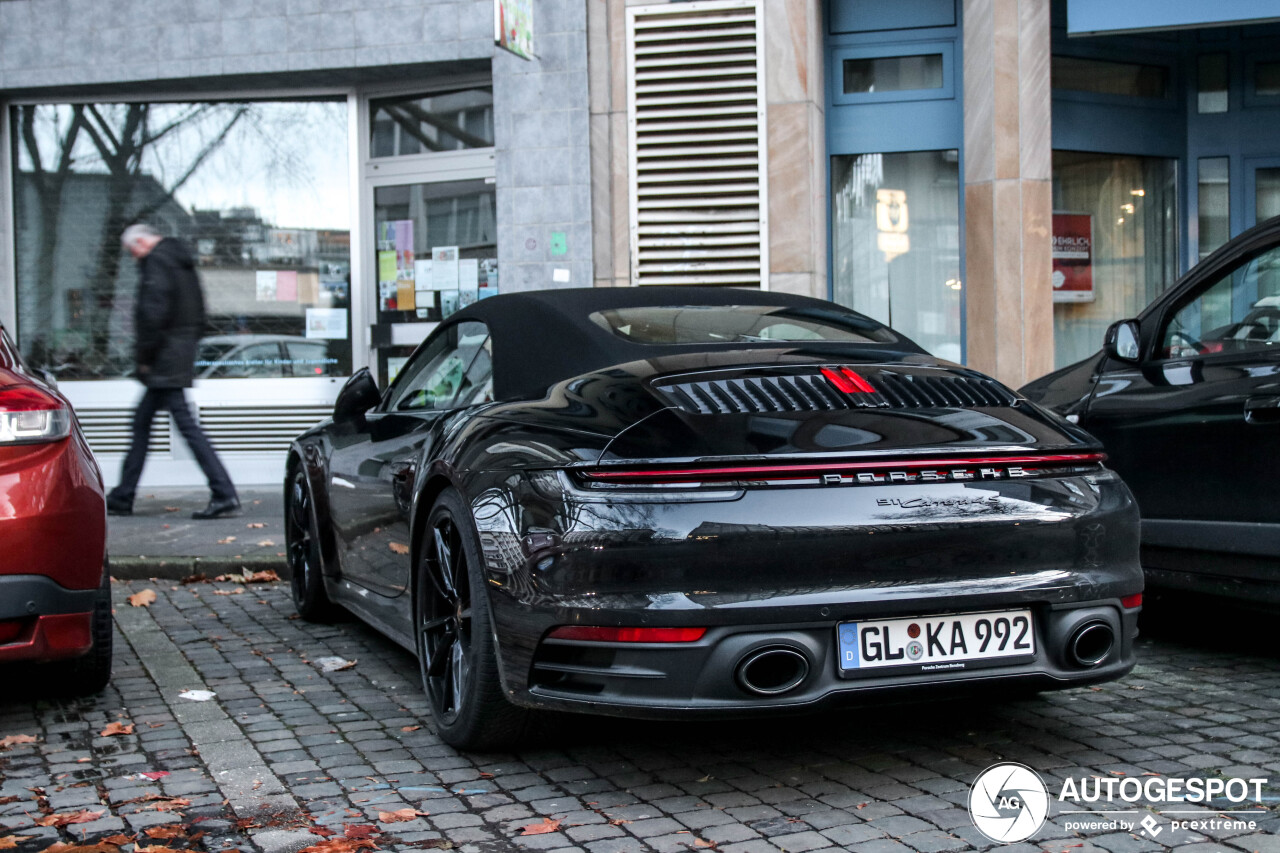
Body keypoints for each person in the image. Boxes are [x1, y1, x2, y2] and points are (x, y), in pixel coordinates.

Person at [106, 224, 240, 520]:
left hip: (163, 359)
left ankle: (224, 492)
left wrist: (145, 356)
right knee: (143, 422)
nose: (134, 258)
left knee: (184, 427)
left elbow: (152, 312)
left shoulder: (157, 261)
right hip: (177, 353)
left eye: (132, 251)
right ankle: (122, 495)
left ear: (141, 241)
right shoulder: (180, 261)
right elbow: (200, 312)